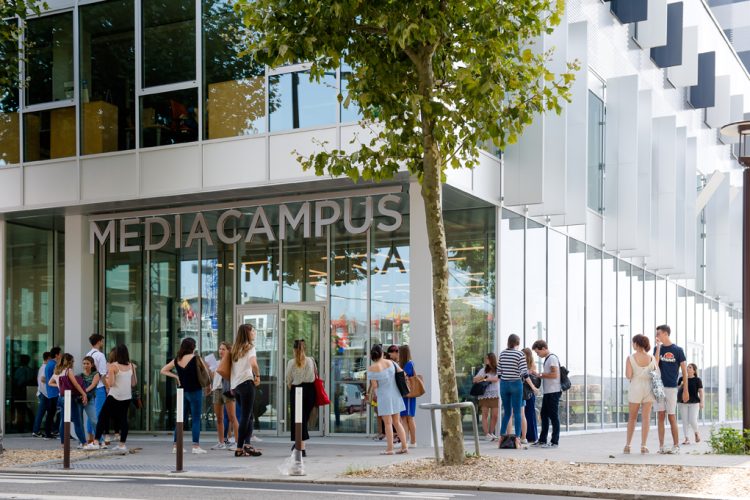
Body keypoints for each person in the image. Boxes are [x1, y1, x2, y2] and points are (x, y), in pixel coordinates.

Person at [161, 337, 208, 454]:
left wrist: (176, 376)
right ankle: (195, 446)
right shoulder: (196, 358)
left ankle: (176, 446)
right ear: (193, 347)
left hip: (182, 391)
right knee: (196, 419)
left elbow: (163, 370)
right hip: (195, 391)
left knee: (181, 419)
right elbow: (206, 372)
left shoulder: (177, 360)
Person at [91, 344, 135, 452]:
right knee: (123, 419)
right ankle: (122, 445)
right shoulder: (131, 366)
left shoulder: (113, 366)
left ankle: (96, 441)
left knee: (102, 417)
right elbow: (134, 383)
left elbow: (111, 383)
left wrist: (103, 378)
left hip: (114, 396)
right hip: (127, 396)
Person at [366, 344, 408, 455]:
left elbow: (374, 386)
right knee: (397, 422)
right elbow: (402, 373)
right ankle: (404, 446)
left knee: (388, 424)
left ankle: (390, 449)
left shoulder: (372, 368)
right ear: (382, 353)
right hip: (396, 395)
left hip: (384, 397)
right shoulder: (392, 363)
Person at [654, 324, 688, 454]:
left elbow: (684, 370)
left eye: (658, 334)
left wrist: (685, 389)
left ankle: (676, 445)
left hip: (672, 387)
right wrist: (658, 347)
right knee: (660, 416)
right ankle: (661, 446)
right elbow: (655, 364)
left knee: (672, 416)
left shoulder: (678, 350)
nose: (657, 336)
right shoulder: (658, 349)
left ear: (666, 334)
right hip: (658, 387)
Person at [230, 324, 262, 457]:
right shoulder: (250, 348)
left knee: (248, 416)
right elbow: (253, 364)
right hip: (247, 384)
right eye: (252, 331)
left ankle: (247, 445)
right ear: (247, 334)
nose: (254, 333)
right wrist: (258, 375)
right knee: (245, 416)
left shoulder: (235, 349)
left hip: (237, 386)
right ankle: (239, 448)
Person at [624, 334, 656, 454]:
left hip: (636, 387)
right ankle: (644, 445)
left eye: (633, 342)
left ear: (637, 343)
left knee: (632, 418)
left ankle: (628, 445)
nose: (633, 345)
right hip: (648, 388)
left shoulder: (630, 358)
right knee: (646, 418)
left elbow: (628, 375)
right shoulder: (652, 358)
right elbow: (656, 373)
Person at [285, 339, 316, 457]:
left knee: (298, 420)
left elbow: (288, 379)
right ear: (305, 349)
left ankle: (300, 447)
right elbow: (313, 376)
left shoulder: (291, 362)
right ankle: (300, 445)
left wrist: (292, 387)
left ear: (294, 350)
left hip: (296, 390)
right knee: (303, 419)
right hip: (310, 391)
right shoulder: (310, 361)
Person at [50, 353, 88, 449]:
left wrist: (59, 387)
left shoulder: (57, 371)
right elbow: (75, 384)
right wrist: (83, 393)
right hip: (70, 398)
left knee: (63, 421)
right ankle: (84, 443)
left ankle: (63, 443)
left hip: (61, 398)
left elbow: (50, 383)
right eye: (73, 361)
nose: (73, 363)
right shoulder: (68, 370)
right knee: (77, 421)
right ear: (69, 361)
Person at [497, 334, 527, 445]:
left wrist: (504, 380)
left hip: (504, 384)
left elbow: (499, 372)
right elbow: (524, 372)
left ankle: (501, 437)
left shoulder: (502, 354)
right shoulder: (520, 354)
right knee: (518, 412)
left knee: (507, 413)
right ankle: (517, 439)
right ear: (517, 343)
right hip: (516, 384)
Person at [531, 340, 561, 449]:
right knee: (544, 415)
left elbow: (554, 374)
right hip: (549, 391)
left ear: (543, 348)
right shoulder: (548, 359)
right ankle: (542, 440)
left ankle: (554, 442)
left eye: (538, 352)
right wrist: (538, 374)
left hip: (554, 391)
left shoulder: (552, 358)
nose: (538, 355)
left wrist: (540, 374)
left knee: (553, 416)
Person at [210, 342, 238, 450]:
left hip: (227, 390)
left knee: (232, 417)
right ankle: (221, 442)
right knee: (219, 418)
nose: (221, 351)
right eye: (220, 349)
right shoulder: (216, 362)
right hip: (217, 389)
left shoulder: (232, 363)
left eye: (223, 349)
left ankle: (237, 442)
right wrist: (210, 370)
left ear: (228, 351)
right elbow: (214, 377)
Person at [85, 334, 108, 443]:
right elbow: (103, 374)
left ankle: (89, 437)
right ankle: (97, 438)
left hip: (89, 387)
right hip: (98, 387)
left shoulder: (88, 354)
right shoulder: (100, 355)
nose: (102, 343)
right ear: (99, 342)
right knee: (98, 413)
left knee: (90, 413)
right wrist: (107, 387)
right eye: (102, 341)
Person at [472, 353, 500, 440]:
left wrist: (485, 378)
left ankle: (491, 433)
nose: (486, 360)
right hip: (484, 394)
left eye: (487, 358)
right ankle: (487, 434)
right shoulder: (483, 370)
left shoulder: (498, 369)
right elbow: (474, 380)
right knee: (485, 414)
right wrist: (484, 377)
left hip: (495, 394)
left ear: (492, 359)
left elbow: (496, 379)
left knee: (495, 415)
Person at [678, 363, 704, 445]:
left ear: (694, 370)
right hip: (683, 403)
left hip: (694, 402)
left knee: (692, 420)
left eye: (690, 367)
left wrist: (702, 402)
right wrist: (681, 385)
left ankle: (696, 433)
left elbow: (701, 391)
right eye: (687, 367)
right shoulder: (682, 378)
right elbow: (677, 389)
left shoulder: (697, 380)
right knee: (685, 421)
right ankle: (686, 438)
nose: (687, 368)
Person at [398, 344, 417, 447]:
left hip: (409, 394)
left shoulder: (409, 363)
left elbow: (403, 375)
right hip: (404, 394)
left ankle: (413, 442)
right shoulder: (402, 364)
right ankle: (405, 441)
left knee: (409, 418)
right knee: (404, 417)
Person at [80, 356, 100, 445]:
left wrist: (83, 392)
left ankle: (99, 440)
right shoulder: (80, 375)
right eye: (84, 363)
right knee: (79, 421)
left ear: (92, 365)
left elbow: (93, 385)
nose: (85, 365)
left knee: (94, 420)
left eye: (87, 363)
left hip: (89, 399)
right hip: (80, 399)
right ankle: (82, 441)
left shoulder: (96, 374)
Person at [522, 347, 540, 444]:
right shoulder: (521, 364)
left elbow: (532, 377)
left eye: (523, 354)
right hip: (524, 391)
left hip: (529, 392)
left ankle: (532, 436)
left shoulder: (532, 365)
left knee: (530, 413)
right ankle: (524, 435)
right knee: (523, 414)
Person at [44, 347, 62, 439]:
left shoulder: (48, 364)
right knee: (55, 413)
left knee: (51, 413)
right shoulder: (54, 365)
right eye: (60, 353)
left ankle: (49, 432)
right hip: (55, 392)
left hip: (50, 392)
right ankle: (52, 431)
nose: (61, 355)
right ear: (56, 355)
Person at [32, 352, 50, 438]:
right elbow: (43, 379)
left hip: (42, 393)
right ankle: (36, 431)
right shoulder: (45, 367)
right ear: (48, 358)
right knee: (42, 412)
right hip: (44, 393)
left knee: (45, 412)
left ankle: (49, 429)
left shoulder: (42, 367)